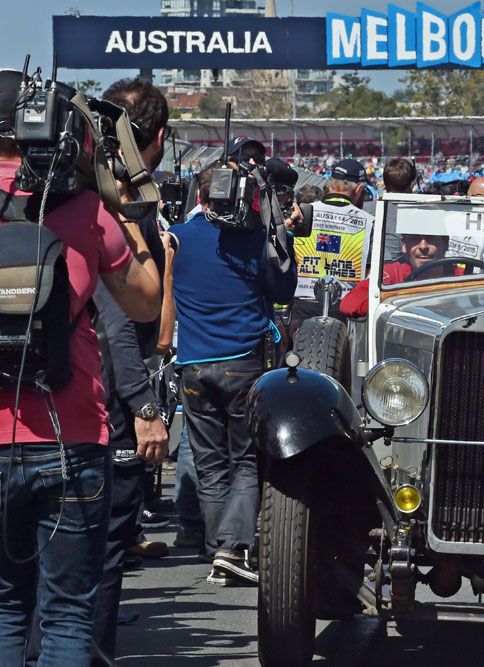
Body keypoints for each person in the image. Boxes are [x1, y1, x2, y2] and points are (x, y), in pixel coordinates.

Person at [0, 116, 161, 665]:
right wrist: (124, 215)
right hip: (70, 436)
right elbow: (144, 302)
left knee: (3, 608)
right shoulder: (86, 210)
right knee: (68, 613)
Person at [168, 163, 296, 586]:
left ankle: (218, 546)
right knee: (245, 460)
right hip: (242, 362)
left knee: (209, 463)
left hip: (192, 365)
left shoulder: (177, 237)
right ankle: (232, 545)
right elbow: (282, 290)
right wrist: (283, 238)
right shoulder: (256, 240)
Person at [86, 77, 173, 666]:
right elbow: (119, 319)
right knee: (96, 564)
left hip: (59, 403)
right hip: (106, 405)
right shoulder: (107, 206)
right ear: (159, 138)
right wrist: (144, 409)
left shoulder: (66, 194)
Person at [290, 160, 374, 337]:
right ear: (358, 189)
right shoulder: (369, 222)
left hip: (303, 305)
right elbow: (370, 272)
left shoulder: (301, 213)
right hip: (344, 309)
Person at [340, 233, 458, 318]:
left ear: (446, 243)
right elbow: (350, 303)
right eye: (415, 239)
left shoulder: (462, 276)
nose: (423, 247)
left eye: (431, 238)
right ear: (404, 245)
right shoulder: (391, 274)